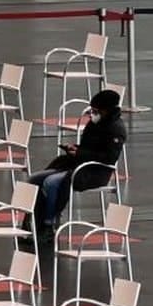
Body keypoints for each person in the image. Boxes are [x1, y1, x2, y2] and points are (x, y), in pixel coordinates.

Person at [25, 89, 126, 242]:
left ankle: (48, 225)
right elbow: (89, 147)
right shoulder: (95, 123)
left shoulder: (116, 129)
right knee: (35, 179)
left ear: (106, 110)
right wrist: (76, 149)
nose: (92, 114)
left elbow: (108, 158)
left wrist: (80, 153)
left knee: (51, 183)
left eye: (96, 111)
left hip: (95, 172)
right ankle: (31, 224)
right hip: (79, 164)